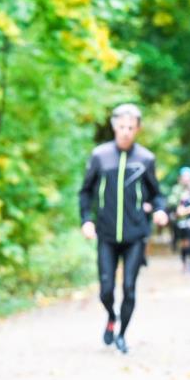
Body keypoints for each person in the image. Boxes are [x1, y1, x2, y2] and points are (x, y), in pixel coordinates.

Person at [78, 104, 167, 354]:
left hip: (135, 235)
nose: (126, 132)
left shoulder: (146, 159)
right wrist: (86, 220)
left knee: (129, 287)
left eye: (131, 127)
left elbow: (157, 194)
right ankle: (111, 316)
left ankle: (122, 335)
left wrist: (160, 210)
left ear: (137, 129)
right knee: (106, 288)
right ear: (114, 126)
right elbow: (85, 192)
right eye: (122, 126)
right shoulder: (100, 156)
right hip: (106, 234)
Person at [166, 166, 190, 255]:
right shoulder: (176, 189)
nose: (186, 179)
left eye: (188, 177)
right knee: (178, 233)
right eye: (184, 177)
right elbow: (171, 202)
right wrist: (180, 199)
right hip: (179, 217)